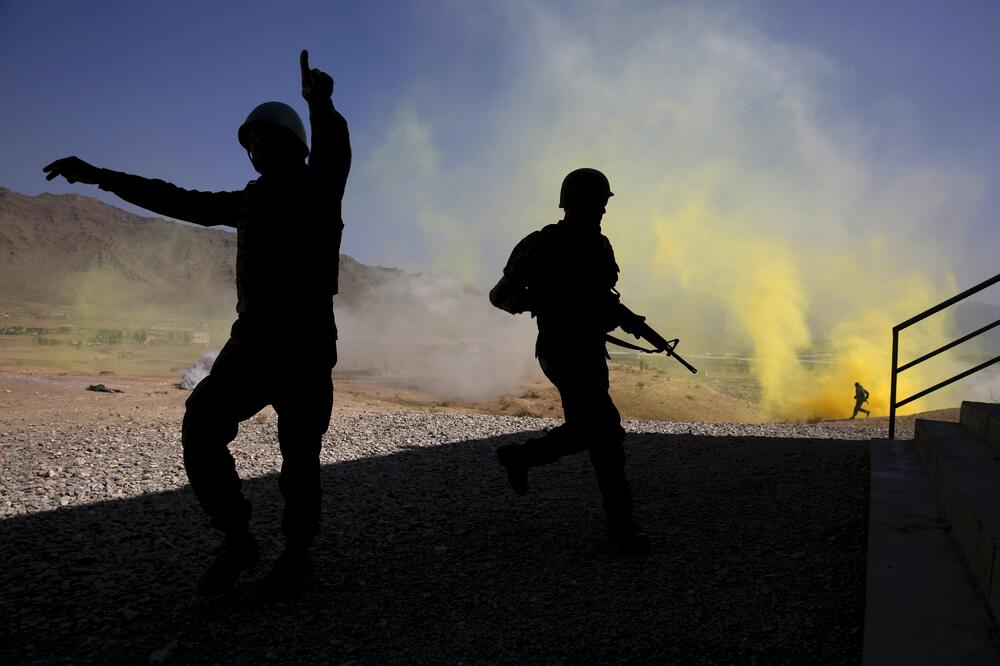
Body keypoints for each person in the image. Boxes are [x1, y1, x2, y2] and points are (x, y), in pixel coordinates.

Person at [43, 50, 350, 600]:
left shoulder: (319, 189)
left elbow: (335, 154)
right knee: (202, 422)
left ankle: (297, 554)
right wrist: (100, 177)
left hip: (304, 347)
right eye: (248, 144)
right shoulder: (249, 201)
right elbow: (174, 199)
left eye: (260, 141)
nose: (252, 151)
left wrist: (322, 105)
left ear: (290, 144)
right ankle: (236, 537)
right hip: (253, 342)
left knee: (300, 457)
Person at [489, 168, 650, 555]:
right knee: (606, 431)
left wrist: (628, 321)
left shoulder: (601, 246)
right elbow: (500, 296)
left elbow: (600, 299)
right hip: (561, 349)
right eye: (597, 203)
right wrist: (540, 302)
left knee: (589, 430)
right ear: (573, 203)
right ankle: (621, 530)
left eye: (603, 203)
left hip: (590, 350)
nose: (602, 211)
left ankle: (520, 457)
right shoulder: (540, 243)